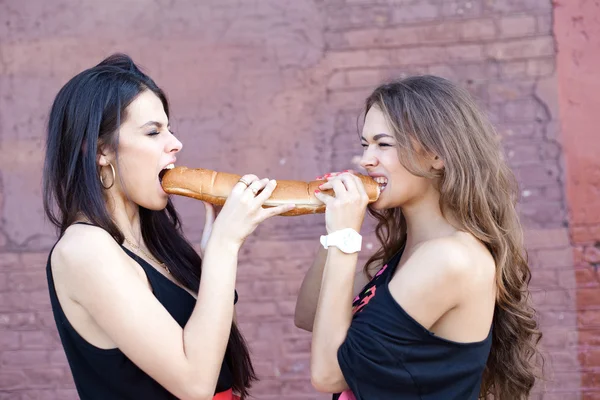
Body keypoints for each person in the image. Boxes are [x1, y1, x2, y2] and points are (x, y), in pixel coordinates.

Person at [42, 53, 295, 400]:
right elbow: (195, 385)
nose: (175, 144)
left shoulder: (152, 243)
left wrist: (211, 257)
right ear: (101, 151)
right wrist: (224, 247)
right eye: (153, 132)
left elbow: (213, 351)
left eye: (169, 129)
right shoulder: (84, 250)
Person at [294, 75, 543, 399]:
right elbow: (310, 315)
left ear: (436, 155)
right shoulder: (404, 255)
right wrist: (333, 231)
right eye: (364, 145)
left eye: (383, 144)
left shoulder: (451, 259)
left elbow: (329, 375)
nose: (367, 160)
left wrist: (345, 236)